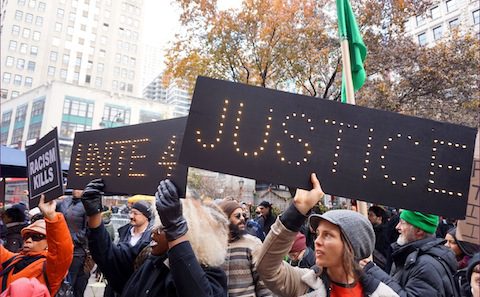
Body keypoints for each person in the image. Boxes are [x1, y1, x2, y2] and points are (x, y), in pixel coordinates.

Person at [256, 173, 398, 296]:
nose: (317, 241)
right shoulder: (305, 284)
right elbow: (267, 268)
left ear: (351, 245)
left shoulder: (382, 293)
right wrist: (297, 211)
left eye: (328, 235)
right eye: (318, 234)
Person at [81, 178, 229, 297]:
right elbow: (108, 257)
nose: (153, 231)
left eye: (163, 227)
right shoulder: (147, 257)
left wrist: (175, 230)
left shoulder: (209, 274)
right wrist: (94, 215)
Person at [362, 209, 458, 297]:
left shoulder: (426, 265)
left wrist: (375, 274)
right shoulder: (413, 257)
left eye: (403, 223)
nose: (397, 227)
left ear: (419, 231)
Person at [0, 195, 73, 296]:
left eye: (37, 236)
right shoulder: (13, 260)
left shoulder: (50, 268)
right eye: (26, 236)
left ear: (49, 243)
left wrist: (52, 217)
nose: (29, 240)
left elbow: (62, 249)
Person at [218, 200, 272, 297]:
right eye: (237, 216)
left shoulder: (253, 244)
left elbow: (263, 284)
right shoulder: (214, 245)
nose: (243, 219)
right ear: (224, 219)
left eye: (243, 215)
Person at [56, 189, 90, 297]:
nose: (76, 190)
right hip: (64, 248)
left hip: (78, 251)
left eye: (79, 187)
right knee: (67, 284)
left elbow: (88, 230)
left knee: (76, 284)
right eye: (75, 187)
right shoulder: (64, 202)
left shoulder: (87, 205)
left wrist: (73, 239)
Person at [367, 205, 390, 271]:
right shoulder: (374, 229)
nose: (368, 217)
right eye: (368, 214)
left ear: (379, 218)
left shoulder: (383, 232)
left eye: (371, 215)